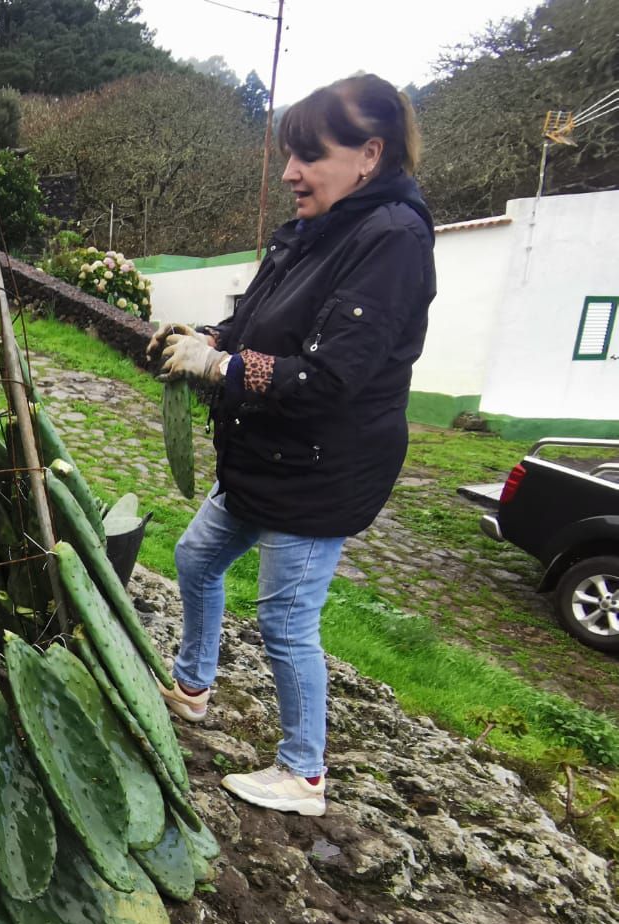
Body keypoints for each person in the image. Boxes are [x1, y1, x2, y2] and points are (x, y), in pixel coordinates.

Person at [148, 74, 436, 818]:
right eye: (288, 155)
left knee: (284, 621)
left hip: (320, 472)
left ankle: (303, 772)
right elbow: (256, 321)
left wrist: (223, 368)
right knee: (195, 558)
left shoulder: (393, 239)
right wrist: (207, 339)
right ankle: (191, 686)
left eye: (308, 155)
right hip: (263, 456)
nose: (289, 173)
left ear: (368, 154)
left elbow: (335, 374)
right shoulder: (317, 230)